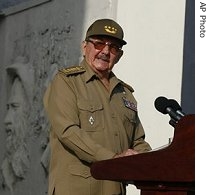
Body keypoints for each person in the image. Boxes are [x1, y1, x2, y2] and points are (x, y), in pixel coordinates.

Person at [43, 18, 151, 195]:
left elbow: (137, 141)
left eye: (113, 47)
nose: (106, 51)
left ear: (120, 55)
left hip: (114, 188)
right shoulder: (66, 82)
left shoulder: (125, 93)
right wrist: (113, 160)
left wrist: (151, 162)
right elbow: (68, 132)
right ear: (84, 47)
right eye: (99, 44)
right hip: (78, 188)